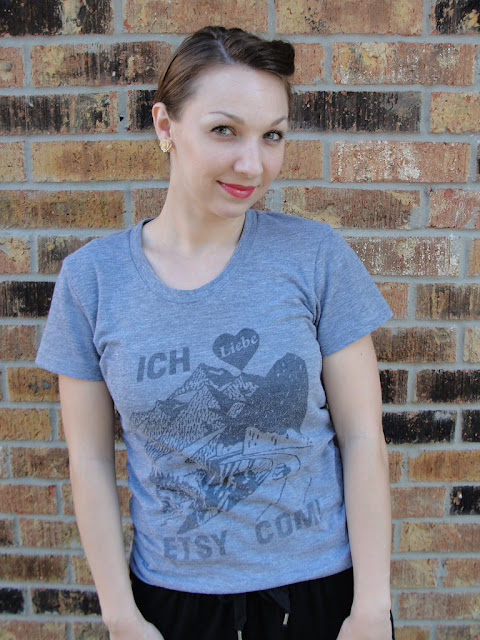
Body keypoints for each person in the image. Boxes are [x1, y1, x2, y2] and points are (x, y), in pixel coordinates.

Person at [36, 26, 395, 640]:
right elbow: (89, 459)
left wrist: (370, 608)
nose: (253, 164)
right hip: (172, 602)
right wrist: (120, 616)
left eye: (272, 135)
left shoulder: (315, 256)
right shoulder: (92, 280)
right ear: (165, 126)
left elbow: (363, 438)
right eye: (224, 130)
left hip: (319, 593)